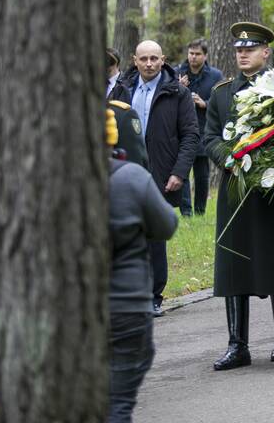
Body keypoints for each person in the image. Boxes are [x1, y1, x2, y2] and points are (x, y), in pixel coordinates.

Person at [203, 22, 274, 370]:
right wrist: (226, 158)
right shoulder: (222, 92)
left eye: (250, 48)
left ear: (266, 52)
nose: (243, 53)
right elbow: (210, 135)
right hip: (235, 187)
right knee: (233, 262)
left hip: (270, 187)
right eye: (239, 49)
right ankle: (237, 343)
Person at [106, 109, 178, 423]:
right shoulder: (131, 178)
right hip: (127, 307)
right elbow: (166, 226)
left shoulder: (52, 185)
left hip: (69, 311)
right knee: (118, 404)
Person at [121, 40, 199, 315]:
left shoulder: (176, 92)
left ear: (163, 59)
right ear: (135, 60)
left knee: (154, 236)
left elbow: (191, 136)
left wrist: (179, 172)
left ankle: (154, 295)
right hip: (125, 173)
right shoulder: (123, 89)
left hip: (161, 174)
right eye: (144, 59)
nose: (150, 64)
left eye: (155, 58)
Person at [176, 38, 223, 215]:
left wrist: (205, 103)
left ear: (205, 56)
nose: (193, 57)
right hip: (182, 129)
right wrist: (179, 88)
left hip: (204, 128)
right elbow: (167, 96)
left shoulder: (215, 75)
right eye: (191, 54)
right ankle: (186, 212)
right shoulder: (177, 72)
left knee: (202, 175)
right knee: (183, 172)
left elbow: (221, 100)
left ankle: (200, 211)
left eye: (197, 54)